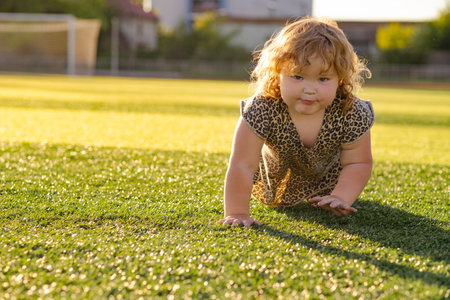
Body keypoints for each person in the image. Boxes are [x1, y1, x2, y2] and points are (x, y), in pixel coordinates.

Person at [218, 17, 374, 228]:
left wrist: (341, 196)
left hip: (330, 183)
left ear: (340, 79)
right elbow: (242, 164)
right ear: (277, 72)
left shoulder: (351, 112)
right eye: (298, 77)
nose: (309, 89)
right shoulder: (262, 108)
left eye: (323, 79)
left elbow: (358, 162)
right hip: (275, 183)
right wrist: (237, 212)